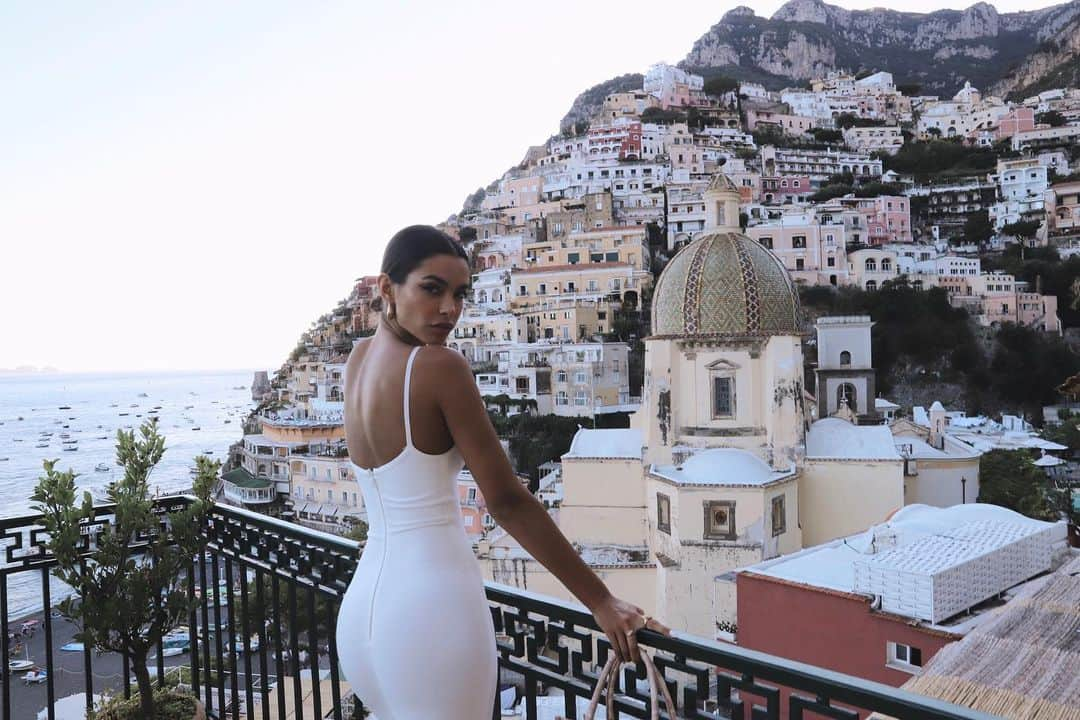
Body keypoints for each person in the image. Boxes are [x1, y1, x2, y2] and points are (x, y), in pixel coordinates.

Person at [336, 225, 669, 719]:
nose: (449, 308)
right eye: (432, 289)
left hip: (363, 613)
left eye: (460, 294)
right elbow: (507, 500)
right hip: (431, 611)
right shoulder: (439, 367)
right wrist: (600, 600)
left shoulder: (358, 361)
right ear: (387, 289)